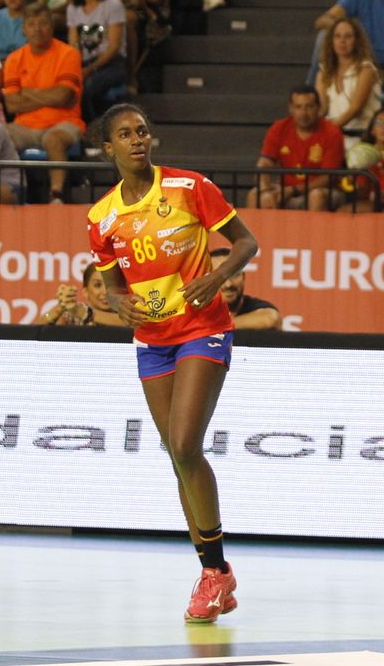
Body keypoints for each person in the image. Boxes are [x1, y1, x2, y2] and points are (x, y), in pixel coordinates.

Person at [85, 103, 260, 622]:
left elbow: (247, 242)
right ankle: (215, 574)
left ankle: (213, 574)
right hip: (151, 339)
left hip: (203, 329)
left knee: (185, 444)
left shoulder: (188, 187)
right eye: (125, 134)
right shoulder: (101, 218)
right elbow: (113, 283)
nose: (137, 139)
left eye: (143, 130)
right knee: (177, 458)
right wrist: (117, 303)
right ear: (107, 148)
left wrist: (215, 276)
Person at [1, 4, 84, 200]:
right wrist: (49, 95)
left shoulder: (68, 54)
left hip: (64, 122)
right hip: (24, 126)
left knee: (52, 139)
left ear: (52, 27)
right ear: (24, 29)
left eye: (43, 24)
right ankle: (9, 191)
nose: (37, 29)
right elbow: (12, 105)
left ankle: (57, 195)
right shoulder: (14, 59)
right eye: (31, 24)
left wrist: (28, 93)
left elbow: (64, 97)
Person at [250, 84, 345, 211]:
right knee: (255, 195)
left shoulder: (332, 132)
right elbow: (265, 162)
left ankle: (315, 231)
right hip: (286, 189)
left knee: (316, 196)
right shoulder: (279, 128)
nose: (303, 113)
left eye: (309, 107)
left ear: (318, 108)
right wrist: (265, 190)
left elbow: (328, 178)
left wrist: (292, 190)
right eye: (298, 107)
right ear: (291, 109)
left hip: (324, 190)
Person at [67, 0, 129, 123]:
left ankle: (93, 134)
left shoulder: (112, 4)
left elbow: (114, 47)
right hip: (85, 64)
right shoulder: (73, 8)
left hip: (112, 64)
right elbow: (73, 46)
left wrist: (90, 69)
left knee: (87, 87)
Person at [316, 15, 382, 136]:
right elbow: (321, 109)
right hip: (335, 135)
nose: (342, 41)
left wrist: (327, 130)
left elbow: (355, 109)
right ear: (331, 41)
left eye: (348, 36)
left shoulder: (366, 69)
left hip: (362, 136)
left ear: (356, 41)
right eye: (337, 36)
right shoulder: (324, 72)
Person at [210, 246, 279, 330]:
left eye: (235, 274)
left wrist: (214, 327)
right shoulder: (197, 310)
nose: (228, 284)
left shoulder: (254, 307)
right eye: (220, 277)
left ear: (243, 276)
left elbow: (271, 319)